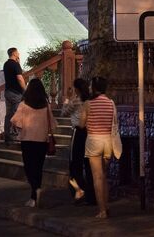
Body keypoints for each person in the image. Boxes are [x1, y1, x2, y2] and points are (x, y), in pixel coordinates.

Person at [10, 78, 56, 208]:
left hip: (27, 140)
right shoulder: (46, 105)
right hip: (42, 141)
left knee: (29, 168)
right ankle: (35, 194)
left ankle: (35, 190)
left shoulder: (24, 105)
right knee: (38, 168)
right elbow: (51, 124)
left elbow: (16, 122)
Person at [80, 76, 118, 220]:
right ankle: (106, 207)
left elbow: (82, 124)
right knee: (104, 176)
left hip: (94, 141)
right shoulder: (110, 103)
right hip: (108, 141)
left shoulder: (88, 104)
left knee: (97, 177)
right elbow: (114, 122)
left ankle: (101, 210)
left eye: (91, 85)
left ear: (94, 87)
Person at [62, 78, 95, 205]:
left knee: (74, 164)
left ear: (77, 89)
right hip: (90, 132)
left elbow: (64, 112)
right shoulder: (90, 101)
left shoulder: (76, 101)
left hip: (78, 132)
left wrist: (67, 98)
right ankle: (91, 195)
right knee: (87, 164)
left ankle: (80, 191)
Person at [3, 47, 26, 144]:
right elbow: (20, 78)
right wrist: (25, 89)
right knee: (16, 114)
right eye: (18, 52)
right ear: (14, 53)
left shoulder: (6, 64)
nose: (19, 53)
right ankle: (15, 135)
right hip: (16, 93)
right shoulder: (15, 65)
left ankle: (7, 135)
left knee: (9, 114)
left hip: (8, 91)